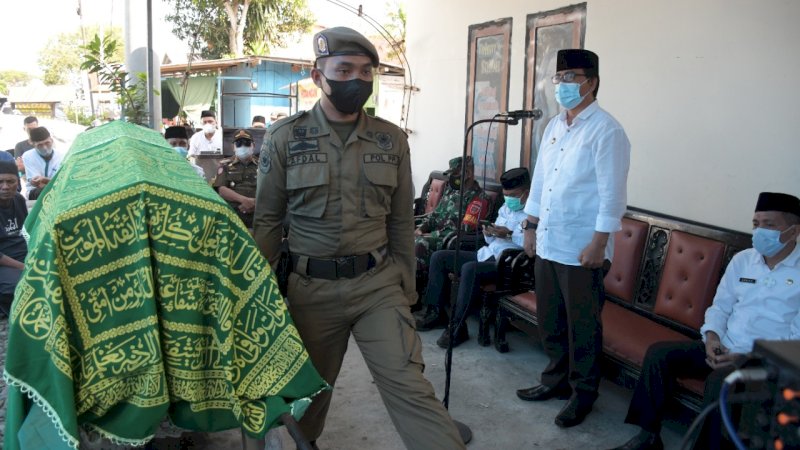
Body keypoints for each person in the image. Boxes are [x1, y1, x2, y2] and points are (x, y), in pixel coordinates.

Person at [253, 26, 464, 450]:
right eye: (344, 69)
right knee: (306, 400)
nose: (357, 80)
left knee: (410, 385)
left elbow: (401, 222)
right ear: (318, 76)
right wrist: (254, 296)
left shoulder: (391, 139)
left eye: (366, 72)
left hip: (376, 285)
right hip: (310, 290)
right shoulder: (285, 137)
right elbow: (269, 223)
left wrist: (405, 281)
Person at [608, 192, 800, 450]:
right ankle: (648, 436)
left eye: (769, 224)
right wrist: (712, 338)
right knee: (659, 354)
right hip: (724, 346)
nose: (760, 231)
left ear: (793, 231)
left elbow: (794, 341)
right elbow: (720, 307)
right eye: (756, 224)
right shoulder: (744, 260)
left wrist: (746, 357)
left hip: (764, 361)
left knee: (720, 381)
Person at [517, 48, 631, 428]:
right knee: (551, 321)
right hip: (549, 241)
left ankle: (583, 395)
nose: (563, 86)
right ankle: (555, 382)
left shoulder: (607, 130)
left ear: (592, 83)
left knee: (583, 326)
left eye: (572, 79)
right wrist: (530, 226)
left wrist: (599, 243)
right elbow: (541, 182)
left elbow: (612, 195)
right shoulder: (553, 127)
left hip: (582, 248)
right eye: (559, 79)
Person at [417, 167, 530, 348]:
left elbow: (532, 246)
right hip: (487, 254)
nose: (509, 199)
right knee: (440, 257)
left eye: (513, 195)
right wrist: (490, 231)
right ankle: (435, 312)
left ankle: (457, 326)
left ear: (526, 192)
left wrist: (509, 235)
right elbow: (492, 237)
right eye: (506, 195)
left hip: (510, 265)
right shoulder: (506, 207)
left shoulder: (535, 213)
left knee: (469, 268)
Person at [414, 155, 486, 299]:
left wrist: (429, 235)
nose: (452, 178)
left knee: (419, 244)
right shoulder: (451, 191)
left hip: (452, 241)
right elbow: (435, 216)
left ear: (468, 173)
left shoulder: (478, 198)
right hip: (435, 235)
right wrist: (421, 228)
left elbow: (465, 229)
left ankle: (418, 295)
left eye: (455, 174)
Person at [213, 129, 258, 228]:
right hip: (234, 213)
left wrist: (255, 203)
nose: (243, 146)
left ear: (253, 146)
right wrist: (244, 200)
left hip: (259, 211)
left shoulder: (263, 165)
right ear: (233, 147)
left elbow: (270, 188)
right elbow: (221, 189)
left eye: (247, 143)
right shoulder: (225, 165)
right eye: (238, 144)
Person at [0, 161, 28, 316]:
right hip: (4, 263)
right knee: (25, 283)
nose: (5, 187)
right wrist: (23, 267)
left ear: (17, 182)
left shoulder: (19, 199)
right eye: (0, 182)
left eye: (10, 181)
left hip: (23, 255)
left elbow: (26, 232)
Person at [22, 126, 66, 200]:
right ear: (33, 144)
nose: (45, 147)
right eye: (40, 145)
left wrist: (44, 180)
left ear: (51, 140)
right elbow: (38, 184)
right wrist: (50, 181)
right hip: (35, 191)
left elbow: (62, 180)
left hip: (57, 188)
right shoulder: (28, 156)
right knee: (46, 191)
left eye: (47, 143)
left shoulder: (61, 155)